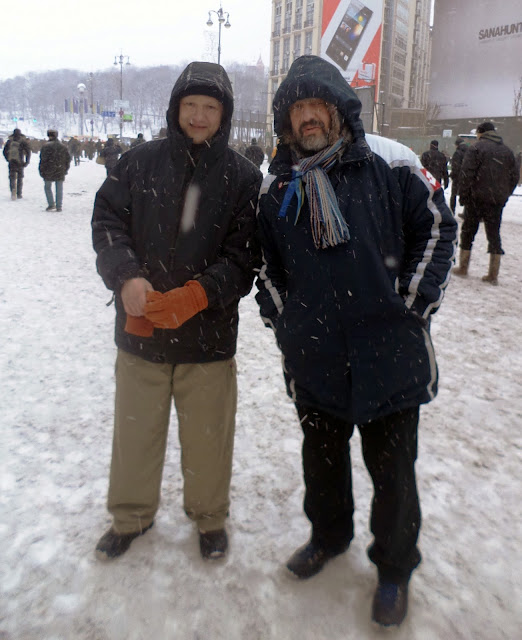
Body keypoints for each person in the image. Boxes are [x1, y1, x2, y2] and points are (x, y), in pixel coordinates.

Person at [255, 55, 456, 628]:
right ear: (286, 120)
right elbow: (266, 265)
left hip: (389, 355)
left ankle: (394, 567)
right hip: (315, 356)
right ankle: (328, 535)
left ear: (339, 109)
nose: (309, 117)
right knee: (321, 464)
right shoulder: (277, 187)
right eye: (298, 109)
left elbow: (438, 227)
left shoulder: (390, 162)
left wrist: (411, 306)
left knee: (393, 474)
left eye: (318, 105)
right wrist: (286, 322)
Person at [91, 61, 262, 562]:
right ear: (175, 107)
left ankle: (209, 518)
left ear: (224, 114)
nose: (199, 116)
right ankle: (130, 516)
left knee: (208, 439)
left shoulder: (242, 177)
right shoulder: (136, 163)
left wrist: (200, 294)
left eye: (210, 107)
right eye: (191, 105)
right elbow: (107, 222)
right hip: (140, 330)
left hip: (207, 337)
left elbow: (245, 256)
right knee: (134, 433)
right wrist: (125, 275)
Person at [454, 121, 518, 284]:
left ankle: (463, 267)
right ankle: (493, 274)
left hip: (475, 199)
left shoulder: (476, 148)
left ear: (480, 133)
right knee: (494, 234)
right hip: (495, 201)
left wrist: (464, 196)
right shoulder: (507, 151)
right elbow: (514, 177)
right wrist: (504, 195)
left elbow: (466, 174)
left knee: (468, 232)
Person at [38, 129, 71, 212]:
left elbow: (42, 160)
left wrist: (41, 170)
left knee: (47, 187)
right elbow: (68, 159)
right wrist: (65, 169)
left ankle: (51, 204)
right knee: (59, 188)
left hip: (48, 170)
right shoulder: (63, 146)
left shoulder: (46, 146)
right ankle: (59, 206)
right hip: (60, 169)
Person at [3, 128, 31, 200]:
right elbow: (28, 152)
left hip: (12, 161)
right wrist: (27, 161)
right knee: (20, 178)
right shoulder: (23, 142)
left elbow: (4, 151)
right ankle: (19, 193)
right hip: (20, 162)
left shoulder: (10, 141)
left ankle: (13, 190)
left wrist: (8, 159)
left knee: (12, 177)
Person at [449, 137, 469, 214]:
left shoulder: (457, 153)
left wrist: (453, 175)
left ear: (457, 145)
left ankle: (452, 211)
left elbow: (455, 166)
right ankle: (465, 212)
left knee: (453, 194)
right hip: (467, 177)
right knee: (467, 194)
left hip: (458, 177)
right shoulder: (469, 152)